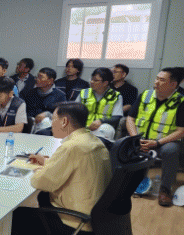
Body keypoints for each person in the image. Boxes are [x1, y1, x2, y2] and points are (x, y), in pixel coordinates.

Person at [9, 102, 112, 235]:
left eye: (54, 119)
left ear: (64, 121)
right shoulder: (93, 141)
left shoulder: (71, 147)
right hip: (100, 223)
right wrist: (46, 162)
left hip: (78, 227)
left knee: (17, 216)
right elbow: (73, 166)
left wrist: (38, 169)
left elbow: (40, 182)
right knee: (43, 199)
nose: (51, 124)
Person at [127, 68, 184, 207]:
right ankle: (123, 182)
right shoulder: (145, 95)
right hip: (140, 139)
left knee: (171, 150)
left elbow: (181, 131)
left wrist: (157, 143)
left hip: (164, 142)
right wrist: (135, 139)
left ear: (173, 84)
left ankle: (165, 189)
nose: (156, 82)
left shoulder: (181, 101)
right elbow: (130, 119)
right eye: (157, 78)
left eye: (162, 80)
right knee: (118, 144)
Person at [75, 67, 123, 136]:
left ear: (105, 83)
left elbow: (116, 117)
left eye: (95, 80)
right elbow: (74, 111)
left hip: (103, 127)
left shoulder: (115, 96)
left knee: (105, 129)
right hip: (83, 127)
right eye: (91, 79)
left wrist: (101, 121)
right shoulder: (84, 93)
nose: (91, 82)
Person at [24, 67, 66, 134]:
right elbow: (25, 111)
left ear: (50, 81)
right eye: (37, 77)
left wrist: (47, 114)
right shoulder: (30, 93)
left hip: (50, 127)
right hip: (31, 125)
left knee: (45, 121)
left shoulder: (60, 95)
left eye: (41, 77)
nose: (37, 79)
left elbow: (62, 116)